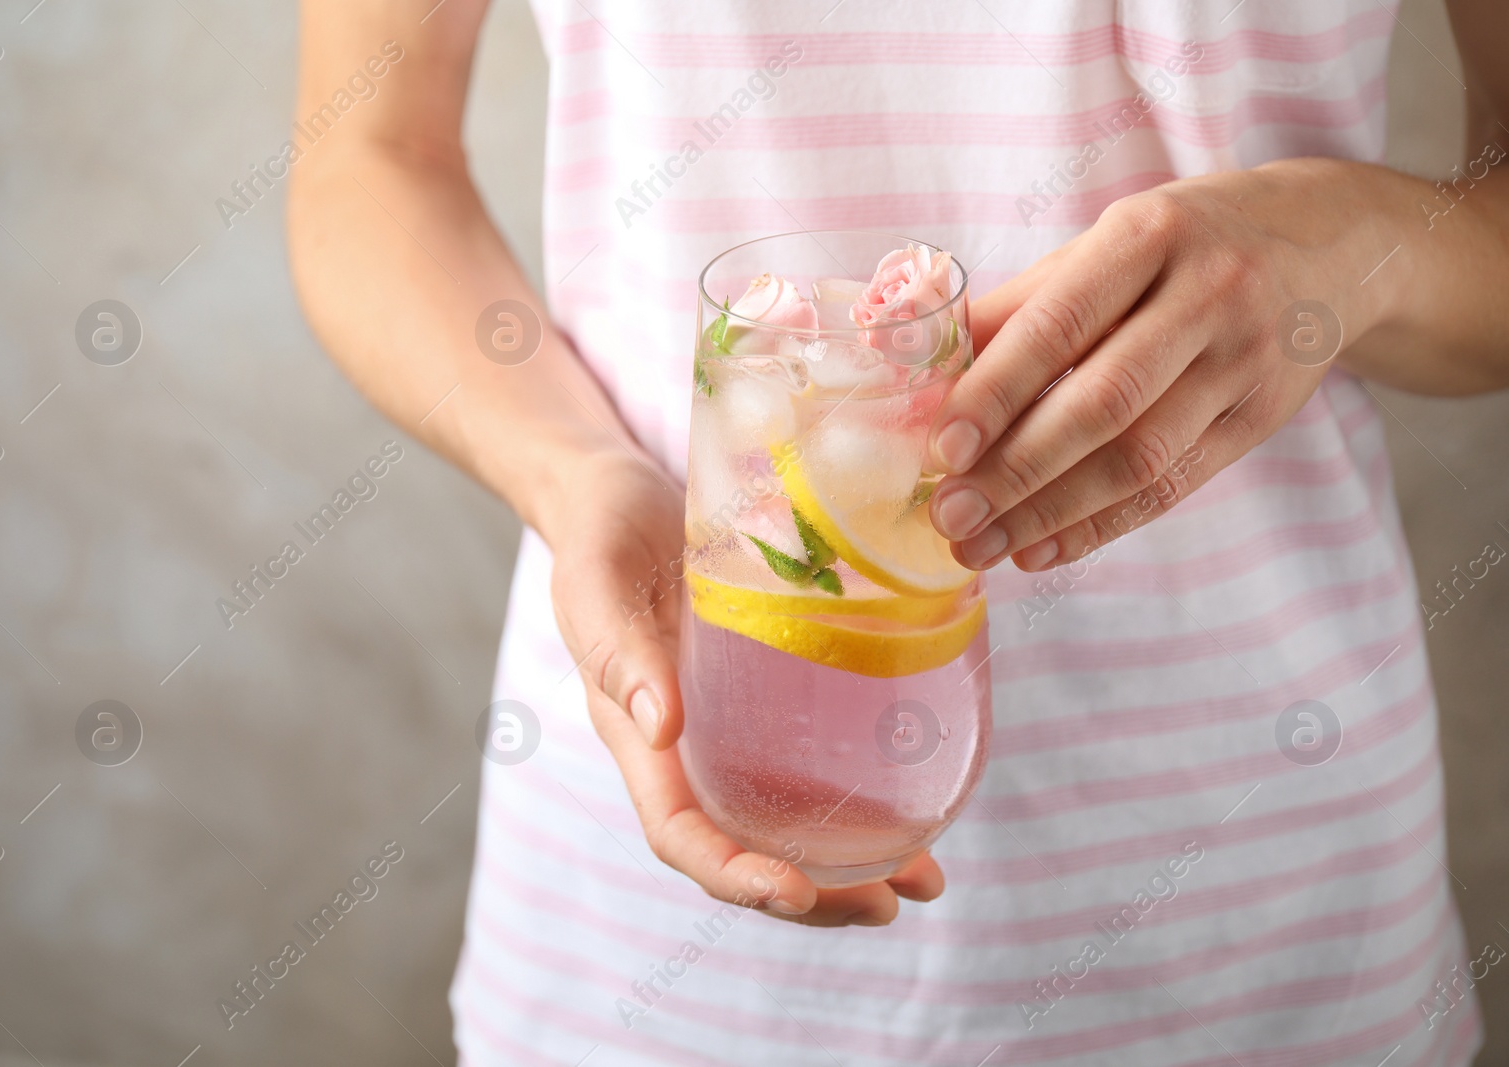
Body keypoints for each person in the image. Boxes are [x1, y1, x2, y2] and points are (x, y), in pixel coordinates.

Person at [290, 1, 1509, 1062]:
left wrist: (1352, 243)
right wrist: (574, 473)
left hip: (1266, 908)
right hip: (654, 911)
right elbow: (371, 153)